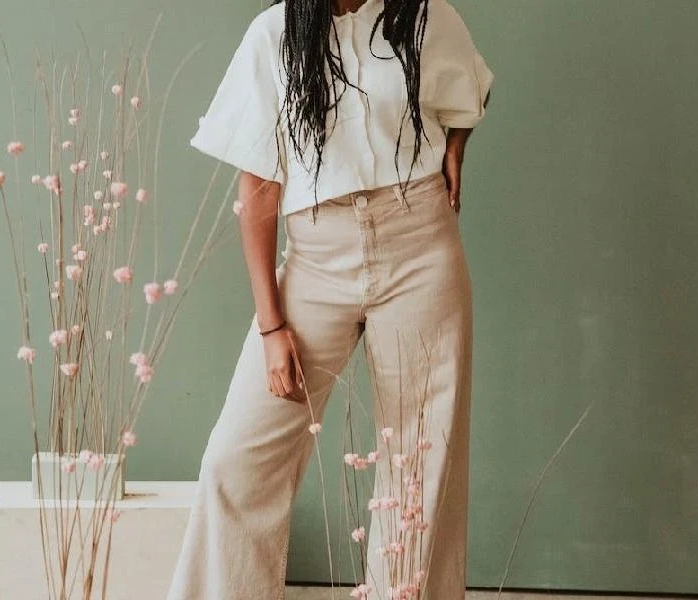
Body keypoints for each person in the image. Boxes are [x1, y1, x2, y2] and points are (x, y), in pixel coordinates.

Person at [166, 0, 493, 598]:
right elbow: (259, 188)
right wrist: (271, 328)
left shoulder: (422, 16)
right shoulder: (274, 35)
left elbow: (468, 87)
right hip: (317, 257)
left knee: (421, 467)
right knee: (236, 463)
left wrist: (457, 144)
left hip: (419, 241)